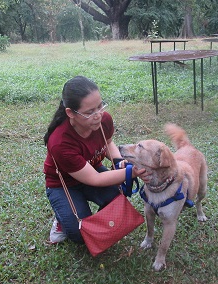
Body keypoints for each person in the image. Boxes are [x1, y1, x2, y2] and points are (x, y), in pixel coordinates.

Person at [43, 76, 149, 244]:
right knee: (79, 234)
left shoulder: (103, 120)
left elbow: (107, 142)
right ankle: (63, 219)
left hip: (91, 169)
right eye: (89, 112)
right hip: (63, 184)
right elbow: (95, 179)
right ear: (70, 112)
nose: (98, 115)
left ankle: (81, 214)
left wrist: (117, 161)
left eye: (100, 106)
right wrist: (132, 172)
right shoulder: (60, 142)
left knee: (116, 200)